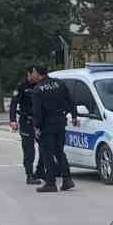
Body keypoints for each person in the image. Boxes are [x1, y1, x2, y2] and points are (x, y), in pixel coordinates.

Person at [28, 65, 78, 193]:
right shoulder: (59, 83)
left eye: (33, 72)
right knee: (59, 152)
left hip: (47, 125)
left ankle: (50, 183)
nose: (32, 75)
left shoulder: (37, 90)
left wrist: (37, 127)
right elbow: (71, 100)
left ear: (37, 73)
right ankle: (67, 180)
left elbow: (37, 112)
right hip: (60, 122)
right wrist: (74, 116)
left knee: (47, 154)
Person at [8, 70, 40, 184]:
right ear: (29, 74)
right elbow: (14, 104)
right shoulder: (21, 86)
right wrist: (12, 120)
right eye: (34, 74)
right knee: (29, 149)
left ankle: (40, 172)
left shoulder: (40, 84)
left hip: (40, 121)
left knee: (45, 148)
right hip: (26, 121)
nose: (36, 76)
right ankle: (29, 175)